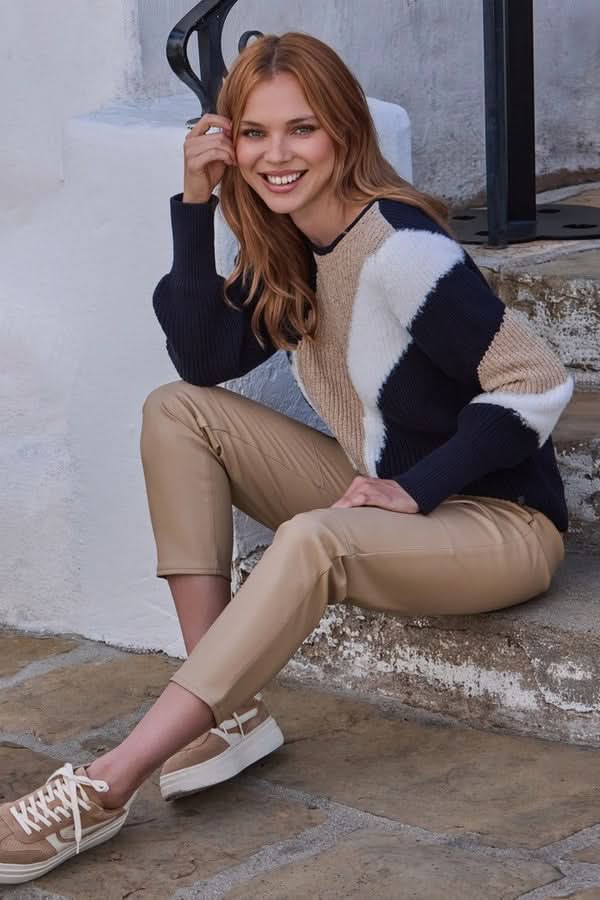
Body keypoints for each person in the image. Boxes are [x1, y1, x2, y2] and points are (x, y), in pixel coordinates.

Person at [0, 31, 572, 884]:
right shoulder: (293, 242)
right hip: (392, 500)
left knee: (312, 535)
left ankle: (107, 782)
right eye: (255, 133)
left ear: (342, 131)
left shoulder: (400, 249)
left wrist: (415, 492)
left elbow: (536, 381)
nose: (277, 155)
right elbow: (200, 359)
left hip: (500, 527)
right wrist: (196, 206)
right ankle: (216, 719)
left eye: (301, 130)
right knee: (178, 412)